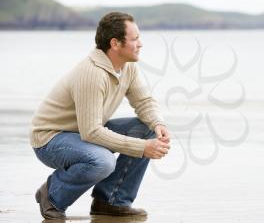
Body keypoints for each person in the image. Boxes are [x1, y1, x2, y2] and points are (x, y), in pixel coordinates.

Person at [29, 12, 170, 220]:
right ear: (115, 43)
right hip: (50, 140)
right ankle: (52, 196)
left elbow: (143, 102)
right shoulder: (92, 74)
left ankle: (111, 202)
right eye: (134, 39)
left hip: (81, 134)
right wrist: (142, 148)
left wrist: (158, 124)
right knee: (103, 162)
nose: (140, 44)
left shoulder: (127, 67)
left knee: (146, 129)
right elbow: (92, 132)